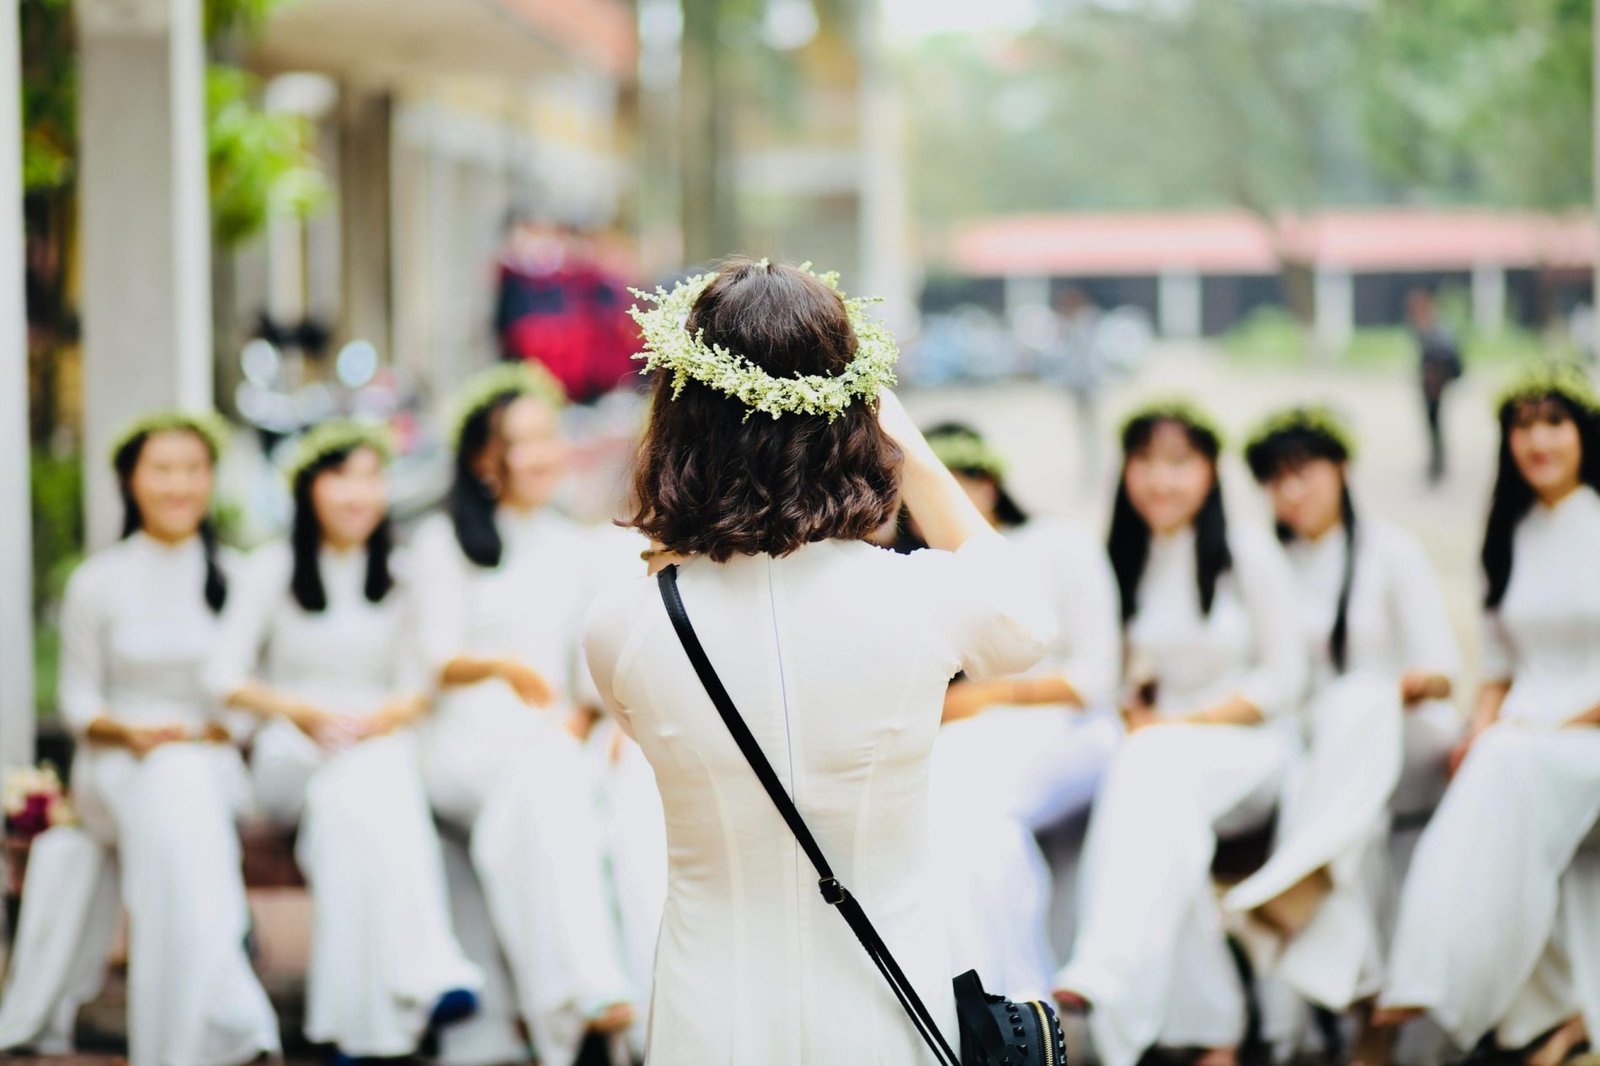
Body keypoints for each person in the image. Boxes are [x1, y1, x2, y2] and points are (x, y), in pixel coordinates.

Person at [583, 257, 1055, 1064]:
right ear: (855, 418)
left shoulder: (624, 625)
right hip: (889, 1007)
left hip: (710, 1017)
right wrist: (909, 445)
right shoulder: (921, 599)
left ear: (677, 414)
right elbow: (1027, 620)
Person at [0, 411, 280, 1065]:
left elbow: (252, 695)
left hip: (209, 760)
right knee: (170, 785)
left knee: (180, 787)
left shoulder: (239, 578)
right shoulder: (97, 581)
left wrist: (209, 732)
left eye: (192, 469)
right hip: (114, 765)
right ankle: (224, 1015)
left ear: (211, 479)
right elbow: (77, 701)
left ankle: (195, 1028)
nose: (178, 485)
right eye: (162, 469)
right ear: (130, 480)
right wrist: (128, 732)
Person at [203, 421, 482, 1058]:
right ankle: (426, 970)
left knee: (354, 805)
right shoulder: (272, 568)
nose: (357, 496)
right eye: (340, 479)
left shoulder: (404, 571)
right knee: (370, 786)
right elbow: (222, 674)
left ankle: (358, 1027)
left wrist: (390, 715)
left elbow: (422, 682)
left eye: (369, 479)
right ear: (307, 489)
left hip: (374, 744)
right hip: (291, 749)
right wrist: (296, 710)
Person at [1052, 401, 1305, 1066]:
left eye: (1179, 464)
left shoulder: (1245, 552)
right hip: (1165, 758)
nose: (1160, 482)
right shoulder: (1127, 559)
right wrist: (1142, 711)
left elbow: (1286, 679)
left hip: (1255, 752)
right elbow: (1115, 675)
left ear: (1209, 471)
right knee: (1169, 830)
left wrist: (1180, 723)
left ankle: (1107, 972)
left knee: (1154, 769)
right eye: (1146, 464)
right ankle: (1216, 1032)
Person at [409, 362, 636, 1066]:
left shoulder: (582, 547)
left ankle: (567, 1009)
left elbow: (592, 681)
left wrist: (587, 719)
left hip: (547, 741)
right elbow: (434, 658)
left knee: (546, 792)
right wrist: (502, 668)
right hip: (460, 739)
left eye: (550, 437)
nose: (545, 454)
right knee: (545, 778)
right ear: (485, 459)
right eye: (524, 441)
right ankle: (586, 996)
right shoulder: (444, 544)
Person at [1375, 366, 1600, 1065]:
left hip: (1583, 735)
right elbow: (1499, 667)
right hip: (1526, 735)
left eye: (1553, 422)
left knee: (1506, 761)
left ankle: (1429, 979)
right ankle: (1532, 1011)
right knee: (1481, 761)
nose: (1537, 439)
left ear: (1584, 432)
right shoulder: (1508, 532)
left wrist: (1541, 730)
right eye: (1523, 425)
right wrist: (1478, 728)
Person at [1220, 407, 1460, 1057]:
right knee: (1335, 804)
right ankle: (1366, 1009)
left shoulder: (1391, 551)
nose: (1290, 492)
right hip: (1316, 749)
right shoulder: (1263, 560)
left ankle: (1301, 907)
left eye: (1304, 474)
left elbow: (1444, 671)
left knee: (1356, 701)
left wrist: (1399, 686)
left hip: (1405, 733)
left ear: (1342, 469)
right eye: (1275, 480)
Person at [912, 423, 1121, 999]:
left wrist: (991, 695)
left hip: (1074, 730)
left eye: (962, 483)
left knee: (979, 807)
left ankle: (1019, 999)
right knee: (959, 816)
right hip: (969, 742)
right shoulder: (922, 570)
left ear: (990, 482)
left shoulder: (1060, 543)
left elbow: (1100, 679)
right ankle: (1004, 1003)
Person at [1407, 289, 1462, 485]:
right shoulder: (1424, 327)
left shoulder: (1435, 327)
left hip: (1435, 385)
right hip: (1430, 384)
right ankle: (1435, 464)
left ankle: (1438, 466)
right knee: (1433, 426)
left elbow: (1443, 355)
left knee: (1435, 425)